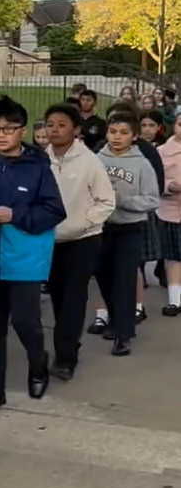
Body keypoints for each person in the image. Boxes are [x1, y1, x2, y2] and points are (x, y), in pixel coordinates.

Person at [0, 96, 66, 414]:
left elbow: (54, 211)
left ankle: (38, 366)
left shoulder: (38, 169)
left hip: (25, 260)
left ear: (22, 130)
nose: (0, 134)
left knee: (27, 323)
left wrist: (15, 215)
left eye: (8, 128)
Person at [43, 104, 115, 381]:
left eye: (62, 124)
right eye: (50, 124)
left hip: (83, 241)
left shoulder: (90, 161)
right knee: (58, 298)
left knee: (73, 298)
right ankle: (63, 344)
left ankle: (65, 357)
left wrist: (83, 223)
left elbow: (107, 201)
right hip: (48, 241)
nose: (55, 130)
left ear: (76, 130)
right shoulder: (40, 161)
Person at [95, 111, 160, 355]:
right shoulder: (96, 160)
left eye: (123, 133)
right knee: (104, 277)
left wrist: (123, 200)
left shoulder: (142, 164)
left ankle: (123, 335)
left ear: (134, 136)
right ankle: (116, 319)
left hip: (130, 228)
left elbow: (152, 199)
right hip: (100, 228)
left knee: (124, 280)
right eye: (113, 132)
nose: (117, 137)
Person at [157, 116, 181, 316]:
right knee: (174, 257)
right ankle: (175, 300)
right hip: (171, 212)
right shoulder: (162, 151)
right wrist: (167, 186)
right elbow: (156, 178)